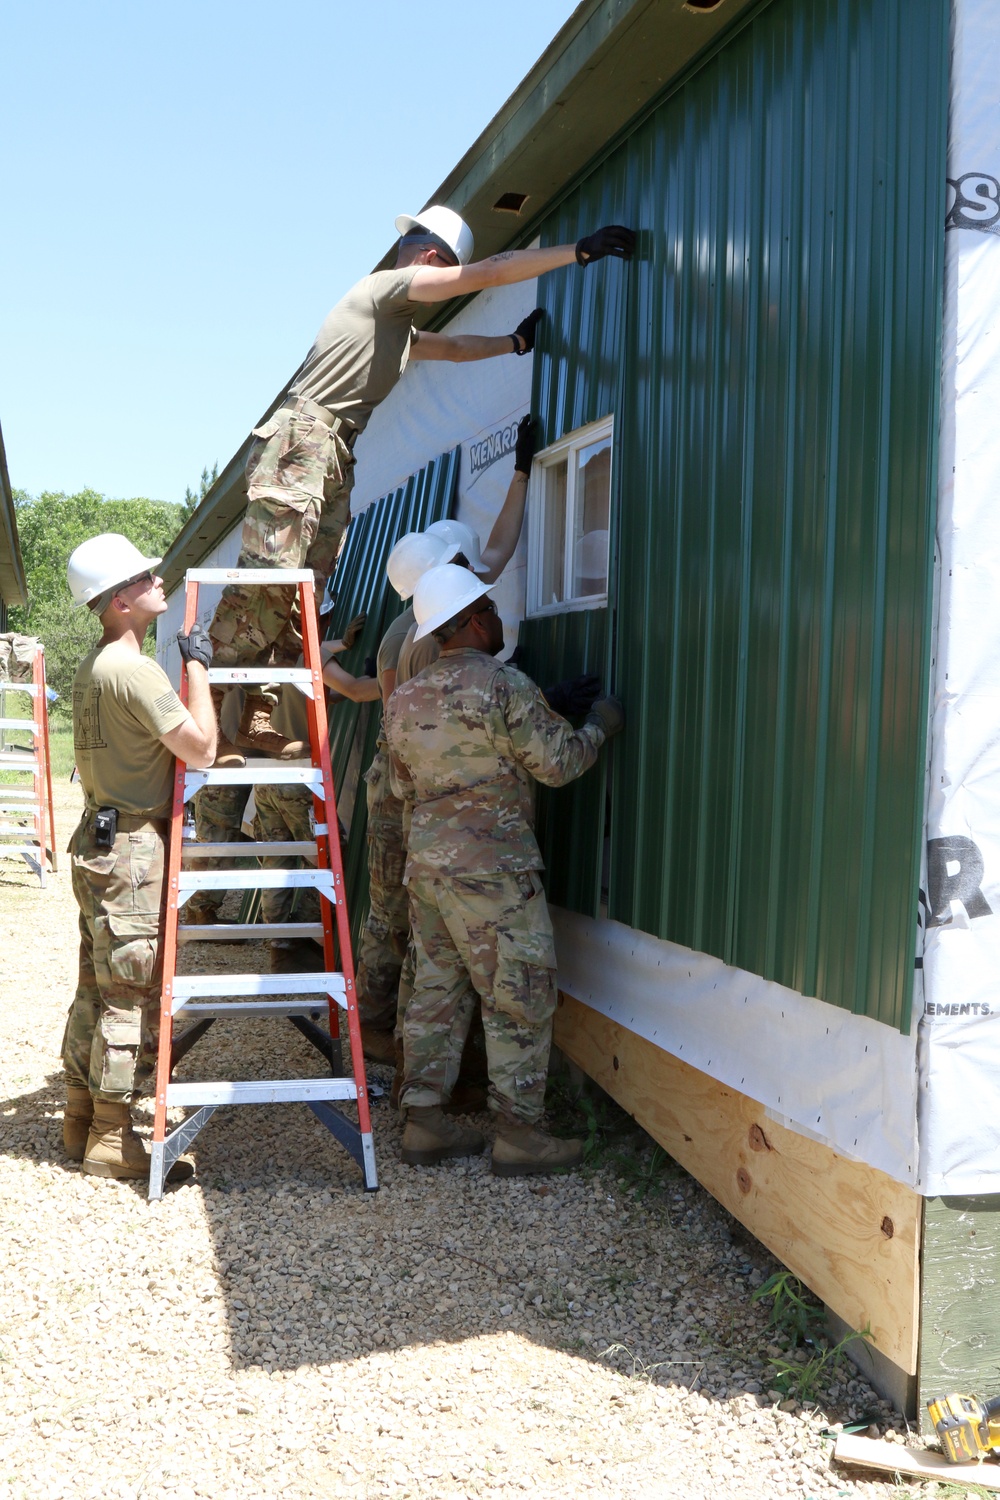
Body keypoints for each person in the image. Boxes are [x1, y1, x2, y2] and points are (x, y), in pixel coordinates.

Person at [207, 206, 635, 763]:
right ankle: (209, 709)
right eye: (444, 273)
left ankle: (257, 711)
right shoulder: (381, 289)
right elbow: (488, 272)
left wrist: (514, 344)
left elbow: (455, 350)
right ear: (431, 259)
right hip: (303, 439)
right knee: (270, 575)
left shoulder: (397, 333)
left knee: (302, 595)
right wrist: (575, 250)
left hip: (335, 451)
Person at [384, 563, 624, 1177]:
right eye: (488, 609)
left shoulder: (405, 697)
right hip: (493, 870)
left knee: (437, 992)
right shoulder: (503, 685)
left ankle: (423, 1122)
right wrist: (600, 724)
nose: (496, 617)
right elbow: (559, 763)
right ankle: (519, 1134)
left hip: (428, 870)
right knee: (518, 993)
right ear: (470, 621)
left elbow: (400, 785)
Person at [354, 416, 539, 1059]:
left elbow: (494, 555)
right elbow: (463, 716)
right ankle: (386, 1040)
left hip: (401, 779)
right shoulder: (427, 638)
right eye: (460, 565)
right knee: (409, 927)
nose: (474, 572)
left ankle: (390, 1042)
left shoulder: (409, 623)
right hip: (423, 793)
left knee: (403, 918)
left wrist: (519, 474)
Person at [61, 533, 217, 1183]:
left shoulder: (95, 667)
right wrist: (201, 668)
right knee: (130, 992)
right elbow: (201, 749)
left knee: (96, 984)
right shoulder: (135, 669)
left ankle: (78, 1116)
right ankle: (109, 1138)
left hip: (97, 842)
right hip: (129, 850)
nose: (158, 580)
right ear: (119, 601)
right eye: (144, 576)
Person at [254, 641, 379, 973]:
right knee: (333, 854)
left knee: (278, 862)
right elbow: (354, 690)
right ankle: (303, 937)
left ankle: (280, 949)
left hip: (264, 775)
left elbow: (313, 697)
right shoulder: (312, 650)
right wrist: (397, 678)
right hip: (297, 777)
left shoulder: (268, 655)